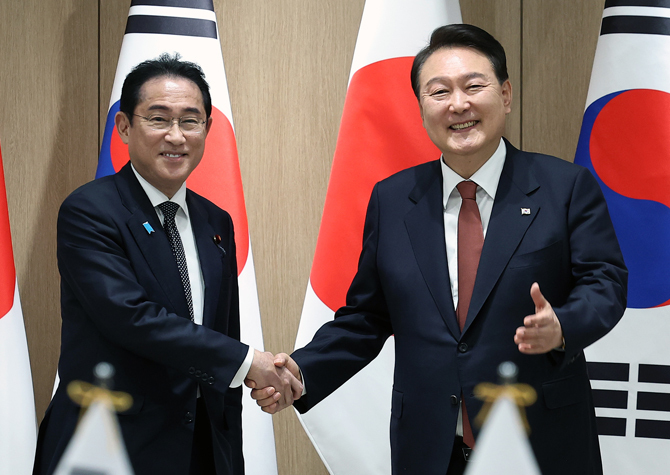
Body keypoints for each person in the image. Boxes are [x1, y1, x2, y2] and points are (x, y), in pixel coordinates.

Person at [252, 24, 627, 475]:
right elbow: (367, 316)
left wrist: (563, 325)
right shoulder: (393, 199)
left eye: (474, 86)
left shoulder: (564, 187)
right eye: (439, 91)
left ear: (505, 94)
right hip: (430, 449)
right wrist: (301, 371)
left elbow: (605, 283)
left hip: (539, 440)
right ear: (421, 108)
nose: (458, 104)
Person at [33, 54, 301, 475]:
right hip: (110, 444)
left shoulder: (215, 221)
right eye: (158, 119)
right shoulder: (90, 210)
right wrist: (250, 363)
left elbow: (222, 332)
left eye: (190, 121)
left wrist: (230, 452)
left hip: (201, 447)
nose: (176, 136)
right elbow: (132, 318)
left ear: (207, 129)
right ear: (124, 127)